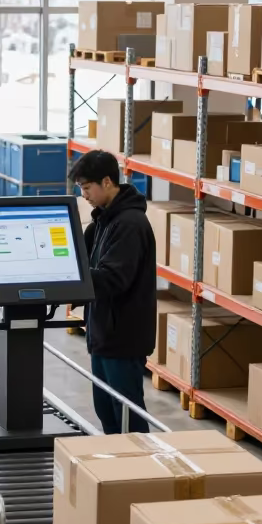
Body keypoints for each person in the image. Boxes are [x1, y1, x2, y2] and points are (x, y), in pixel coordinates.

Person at [69, 149, 156, 434]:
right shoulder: (103, 221)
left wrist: (73, 276)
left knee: (127, 416)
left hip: (123, 337)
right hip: (103, 333)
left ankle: (141, 462)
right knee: (106, 411)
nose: (83, 195)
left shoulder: (129, 224)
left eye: (86, 188)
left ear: (107, 182)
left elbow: (113, 278)